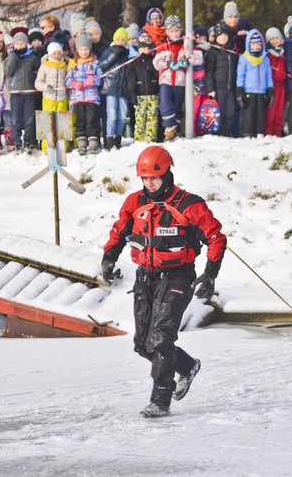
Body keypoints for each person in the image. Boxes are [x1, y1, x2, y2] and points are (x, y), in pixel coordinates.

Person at [101, 145, 226, 418]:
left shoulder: (190, 204)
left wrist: (210, 273)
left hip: (178, 276)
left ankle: (160, 400)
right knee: (143, 344)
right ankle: (188, 365)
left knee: (161, 339)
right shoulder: (134, 203)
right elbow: (119, 231)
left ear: (167, 173)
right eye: (145, 179)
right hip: (146, 277)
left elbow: (216, 237)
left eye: (154, 178)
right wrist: (108, 258)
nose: (150, 183)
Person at [153, 16, 200, 140]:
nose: (175, 34)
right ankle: (169, 126)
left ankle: (175, 131)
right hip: (166, 80)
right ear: (167, 32)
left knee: (178, 107)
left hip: (180, 82)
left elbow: (198, 57)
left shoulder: (186, 44)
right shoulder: (163, 46)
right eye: (172, 31)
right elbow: (156, 63)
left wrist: (186, 62)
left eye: (177, 30)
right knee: (165, 103)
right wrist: (167, 64)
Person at [66, 34, 103, 154]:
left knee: (91, 120)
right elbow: (67, 80)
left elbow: (100, 78)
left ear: (90, 49)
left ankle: (93, 142)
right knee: (79, 120)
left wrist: (93, 80)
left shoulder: (95, 64)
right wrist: (73, 83)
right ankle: (81, 143)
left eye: (86, 49)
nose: (83, 52)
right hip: (77, 98)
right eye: (81, 49)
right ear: (77, 50)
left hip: (91, 97)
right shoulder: (74, 66)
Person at [5, 30, 41, 153]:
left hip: (29, 92)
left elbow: (39, 71)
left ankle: (27, 140)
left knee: (29, 119)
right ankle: (17, 141)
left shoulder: (32, 57)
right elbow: (8, 72)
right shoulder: (11, 56)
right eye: (17, 44)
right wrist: (13, 55)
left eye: (22, 43)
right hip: (16, 93)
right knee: (16, 119)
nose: (19, 46)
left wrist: (35, 75)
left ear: (26, 44)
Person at [236, 29, 273, 137]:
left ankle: (259, 133)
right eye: (253, 44)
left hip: (261, 91)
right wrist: (239, 89)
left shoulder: (265, 59)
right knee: (249, 114)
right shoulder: (244, 58)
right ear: (249, 45)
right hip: (249, 91)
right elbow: (240, 75)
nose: (256, 46)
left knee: (261, 114)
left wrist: (270, 89)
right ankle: (247, 133)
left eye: (258, 44)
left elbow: (268, 75)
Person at [98, 27, 130, 150]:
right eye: (118, 39)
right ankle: (109, 139)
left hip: (122, 89)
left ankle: (118, 137)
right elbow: (102, 65)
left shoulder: (127, 53)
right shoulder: (109, 51)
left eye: (123, 40)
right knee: (111, 115)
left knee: (122, 115)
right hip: (110, 87)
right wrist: (114, 55)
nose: (120, 42)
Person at [125, 32, 160, 143]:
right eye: (142, 48)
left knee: (152, 120)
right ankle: (139, 140)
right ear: (138, 48)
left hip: (153, 95)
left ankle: (151, 139)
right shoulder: (133, 62)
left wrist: (148, 61)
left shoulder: (153, 60)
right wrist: (132, 93)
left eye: (147, 48)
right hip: (139, 95)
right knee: (140, 120)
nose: (145, 50)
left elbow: (155, 71)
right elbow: (130, 78)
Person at [205, 24, 238, 136]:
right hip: (218, 86)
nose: (223, 38)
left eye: (225, 35)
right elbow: (209, 71)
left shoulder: (233, 51)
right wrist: (210, 88)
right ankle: (218, 131)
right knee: (220, 110)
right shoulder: (213, 51)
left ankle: (227, 130)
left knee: (230, 111)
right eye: (220, 36)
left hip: (231, 87)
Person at [264, 27, 286, 136]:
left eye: (277, 38)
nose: (275, 41)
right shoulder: (268, 55)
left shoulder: (283, 54)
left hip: (282, 87)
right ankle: (268, 135)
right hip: (273, 87)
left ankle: (277, 135)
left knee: (279, 113)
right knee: (270, 114)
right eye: (272, 39)